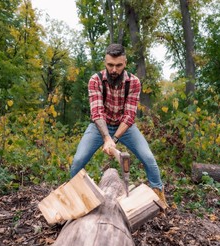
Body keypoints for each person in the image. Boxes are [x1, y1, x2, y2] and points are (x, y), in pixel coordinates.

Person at [70, 43, 168, 208]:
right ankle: (75, 198)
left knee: (149, 158)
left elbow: (129, 116)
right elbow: (97, 113)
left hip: (125, 127)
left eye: (118, 65)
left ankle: (159, 197)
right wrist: (107, 138)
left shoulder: (134, 82)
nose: (114, 69)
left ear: (125, 62)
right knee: (78, 161)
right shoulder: (96, 80)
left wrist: (114, 138)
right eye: (110, 65)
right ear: (105, 62)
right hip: (100, 126)